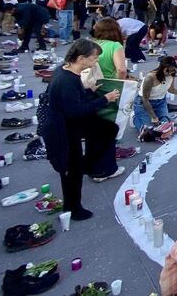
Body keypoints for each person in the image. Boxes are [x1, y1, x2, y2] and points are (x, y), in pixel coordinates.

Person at [40, 39, 123, 221]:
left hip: (70, 124)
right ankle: (73, 208)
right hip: (63, 130)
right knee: (71, 170)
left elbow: (74, 101)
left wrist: (89, 91)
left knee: (108, 129)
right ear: (81, 58)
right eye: (94, 58)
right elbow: (74, 110)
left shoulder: (68, 72)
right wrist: (104, 99)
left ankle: (89, 165)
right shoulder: (66, 80)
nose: (96, 61)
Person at [133, 57, 177, 136]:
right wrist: (154, 117)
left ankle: (164, 117)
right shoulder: (150, 77)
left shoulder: (171, 74)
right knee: (149, 132)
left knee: (164, 127)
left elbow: (171, 89)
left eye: (172, 70)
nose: (170, 73)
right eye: (168, 71)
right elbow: (145, 99)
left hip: (160, 102)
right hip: (144, 104)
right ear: (162, 68)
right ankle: (135, 118)